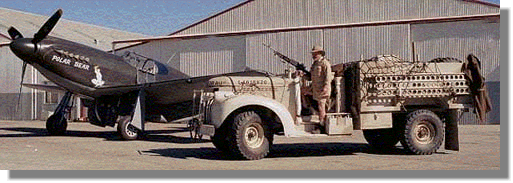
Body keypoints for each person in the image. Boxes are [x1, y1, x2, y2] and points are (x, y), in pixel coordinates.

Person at [299, 46, 333, 125]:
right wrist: (302, 75)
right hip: (315, 89)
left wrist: (326, 87)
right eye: (313, 54)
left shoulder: (325, 63)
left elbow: (328, 77)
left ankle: (322, 125)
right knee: (303, 92)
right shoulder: (315, 64)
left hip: (322, 89)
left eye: (315, 54)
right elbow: (310, 77)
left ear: (320, 54)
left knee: (321, 108)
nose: (314, 56)